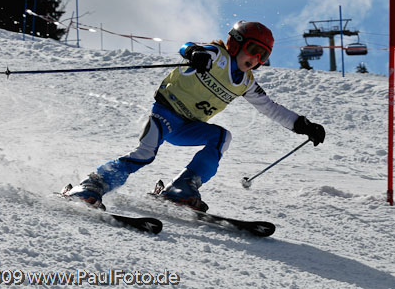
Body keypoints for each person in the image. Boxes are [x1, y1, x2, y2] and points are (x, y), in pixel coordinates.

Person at [62, 20, 325, 212]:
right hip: (165, 114)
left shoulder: (245, 81)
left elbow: (270, 107)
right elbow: (187, 47)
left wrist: (303, 126)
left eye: (264, 55)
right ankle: (92, 184)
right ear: (236, 43)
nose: (257, 59)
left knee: (222, 137)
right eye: (255, 50)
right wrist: (194, 54)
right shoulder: (215, 56)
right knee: (145, 154)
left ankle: (182, 188)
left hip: (189, 127)